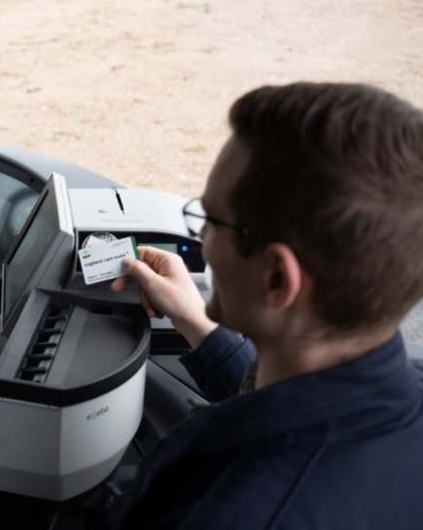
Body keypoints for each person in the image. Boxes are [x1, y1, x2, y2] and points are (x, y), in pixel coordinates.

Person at [109, 82, 423, 529]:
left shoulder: (220, 513)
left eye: (211, 220)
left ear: (277, 278)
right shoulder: (399, 400)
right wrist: (195, 320)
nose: (201, 240)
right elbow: (300, 405)